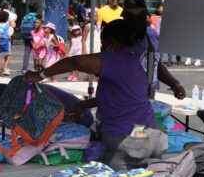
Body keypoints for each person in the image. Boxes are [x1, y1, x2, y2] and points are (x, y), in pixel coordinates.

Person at [25, 20, 159, 168]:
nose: (101, 48)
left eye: (103, 42)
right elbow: (117, 97)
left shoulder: (116, 59)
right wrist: (83, 104)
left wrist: (41, 75)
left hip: (125, 135)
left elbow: (76, 62)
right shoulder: (132, 60)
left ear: (112, 41)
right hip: (147, 132)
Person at [20, 4, 38, 73]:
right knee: (36, 52)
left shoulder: (26, 16)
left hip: (26, 36)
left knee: (26, 52)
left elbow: (21, 26)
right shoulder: (36, 16)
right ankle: (36, 68)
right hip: (34, 36)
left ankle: (24, 69)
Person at [0, 10, 14, 76]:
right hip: (6, 44)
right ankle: (5, 68)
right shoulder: (9, 27)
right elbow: (9, 36)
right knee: (7, 56)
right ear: (7, 18)